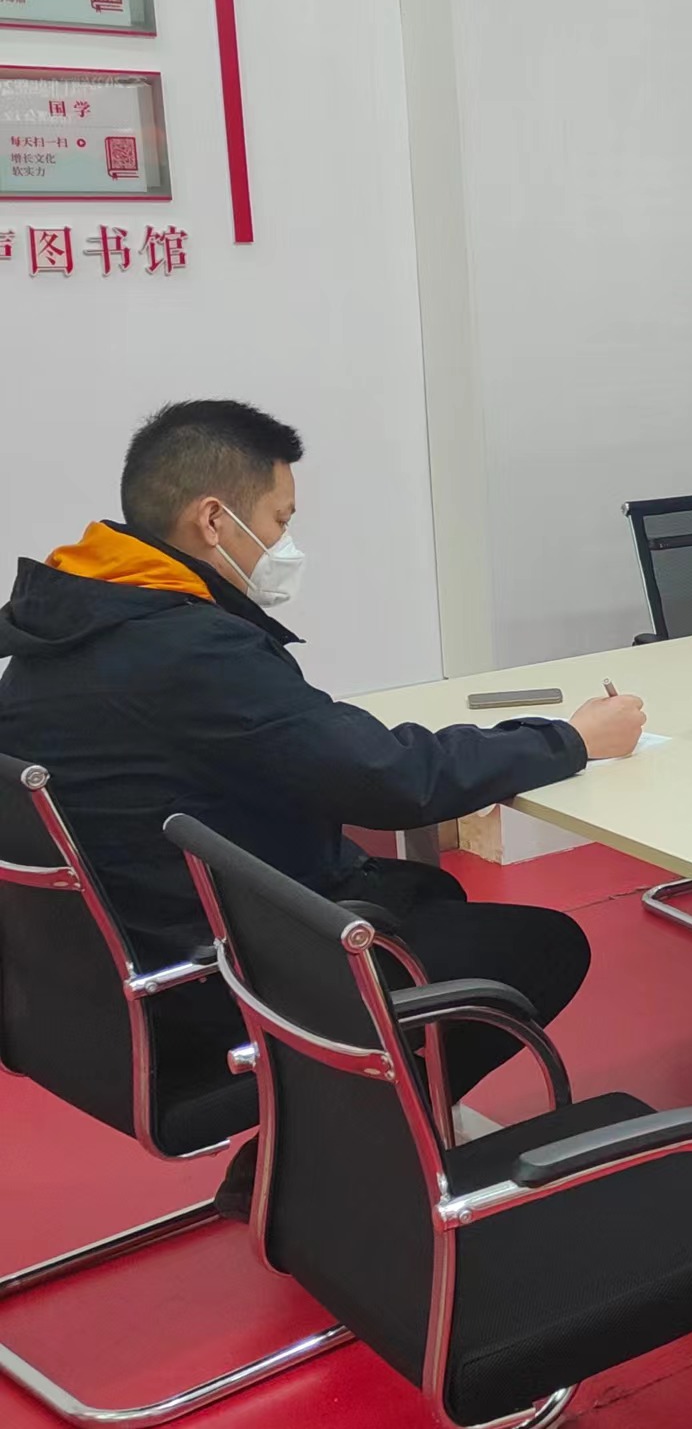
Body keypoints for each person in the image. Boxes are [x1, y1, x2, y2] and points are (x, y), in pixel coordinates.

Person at [0, 401, 642, 1206]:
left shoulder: (62, 630)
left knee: (426, 894)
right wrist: (570, 738)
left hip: (85, 995)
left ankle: (333, 1138)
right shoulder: (188, 648)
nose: (284, 544)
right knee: (541, 945)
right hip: (216, 987)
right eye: (280, 519)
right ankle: (322, 1159)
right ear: (213, 519)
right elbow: (389, 779)